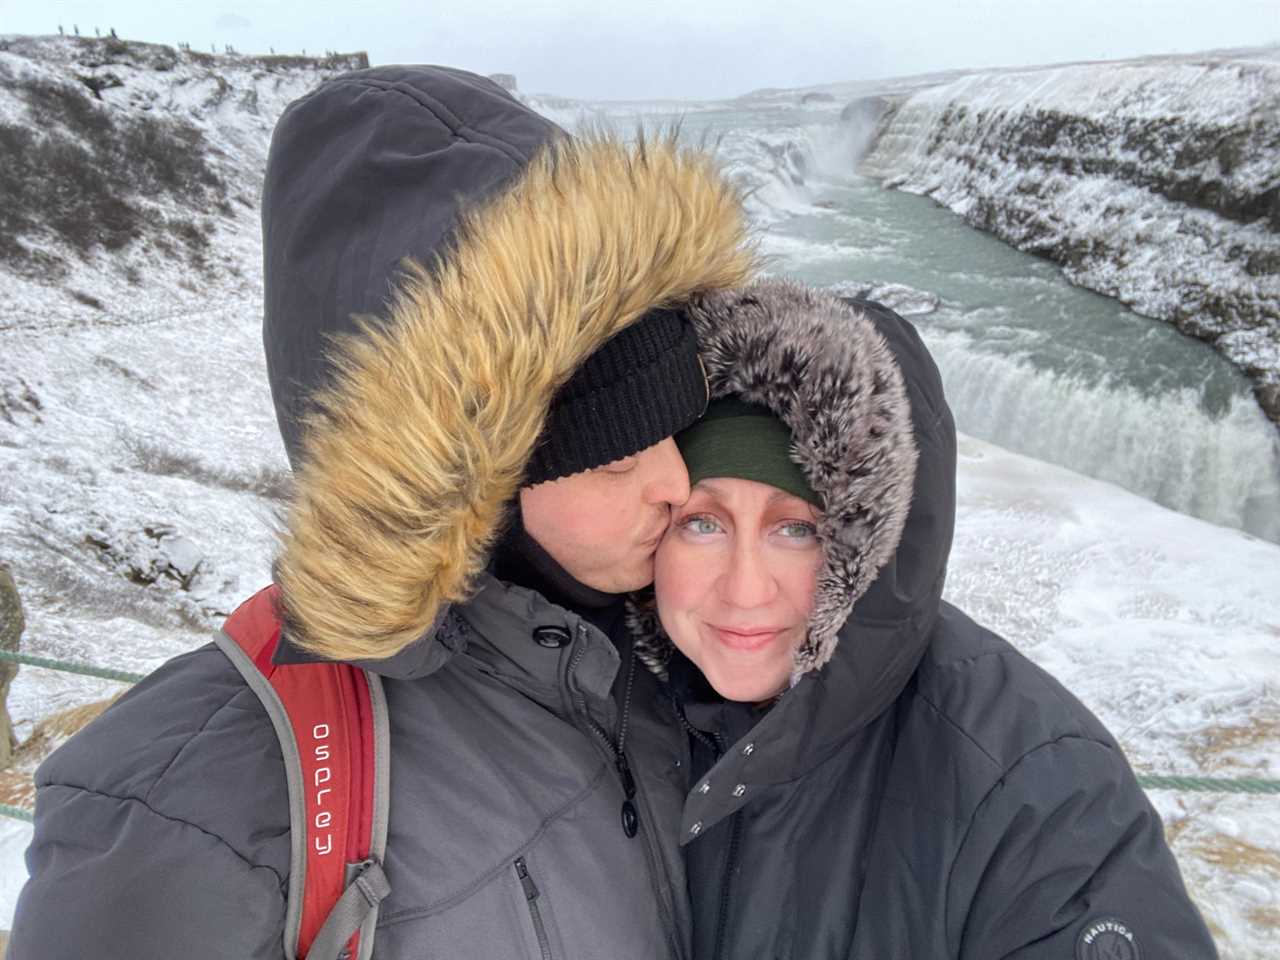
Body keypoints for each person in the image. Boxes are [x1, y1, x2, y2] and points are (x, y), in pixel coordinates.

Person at [8, 66, 756, 958]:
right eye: (618, 458)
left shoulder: (677, 653)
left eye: (678, 431)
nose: (677, 486)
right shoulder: (195, 813)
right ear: (473, 480)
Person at [630, 278, 1218, 959]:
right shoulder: (591, 698)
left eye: (800, 531)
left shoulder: (1035, 790)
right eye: (702, 523)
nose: (744, 589)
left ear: (874, 543)